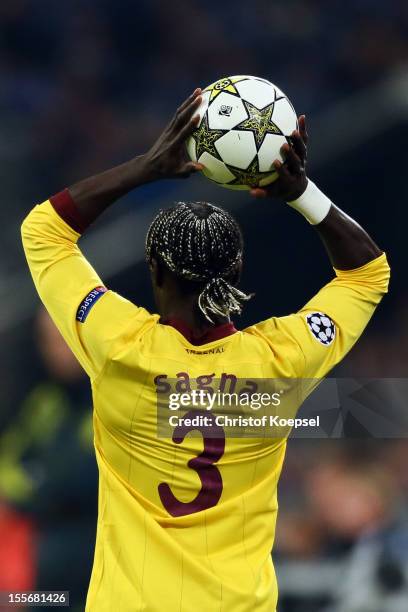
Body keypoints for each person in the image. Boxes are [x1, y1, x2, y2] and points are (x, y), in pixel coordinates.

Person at [21, 88, 390, 611]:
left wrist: (147, 168)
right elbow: (368, 273)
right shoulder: (280, 362)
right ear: (237, 272)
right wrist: (300, 191)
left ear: (155, 274)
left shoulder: (118, 345)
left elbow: (44, 232)